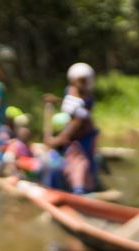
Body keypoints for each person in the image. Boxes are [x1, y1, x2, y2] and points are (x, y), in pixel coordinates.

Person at [44, 62, 99, 194]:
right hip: (71, 138)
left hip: (83, 139)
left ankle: (80, 191)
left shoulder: (87, 99)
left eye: (83, 81)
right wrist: (55, 100)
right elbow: (68, 104)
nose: (79, 84)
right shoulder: (70, 91)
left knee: (80, 164)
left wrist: (58, 140)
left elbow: (76, 123)